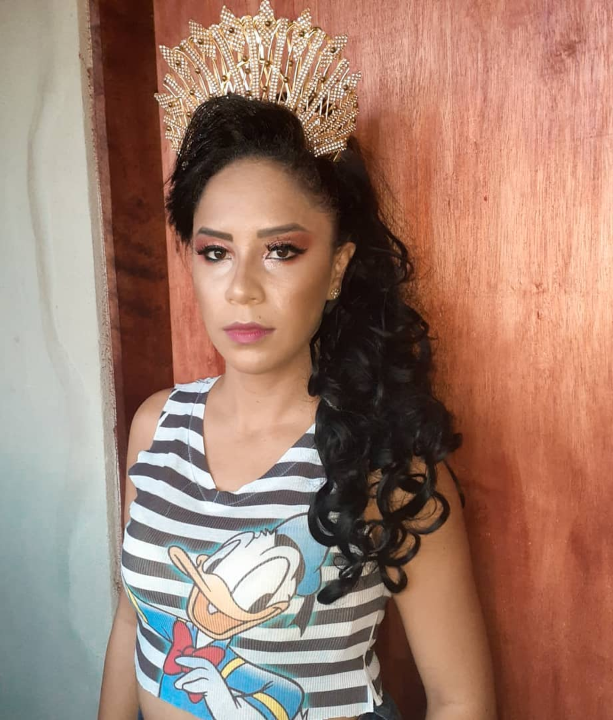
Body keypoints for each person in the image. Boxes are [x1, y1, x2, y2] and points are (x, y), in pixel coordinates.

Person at [98, 3, 496, 719]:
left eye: (281, 250)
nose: (241, 288)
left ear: (337, 266)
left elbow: (460, 698)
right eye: (215, 251)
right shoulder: (155, 428)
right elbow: (133, 621)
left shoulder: (382, 458)